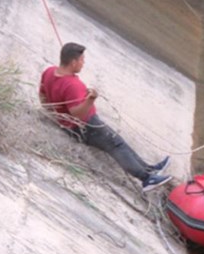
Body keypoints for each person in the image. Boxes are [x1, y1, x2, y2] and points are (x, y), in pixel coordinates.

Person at [39, 42, 171, 190]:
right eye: (82, 60)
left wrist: (54, 115)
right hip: (86, 127)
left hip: (72, 125)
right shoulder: (73, 85)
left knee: (119, 142)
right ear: (73, 62)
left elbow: (42, 96)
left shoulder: (49, 72)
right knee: (116, 147)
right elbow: (77, 114)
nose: (84, 63)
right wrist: (91, 99)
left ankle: (149, 169)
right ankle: (146, 179)